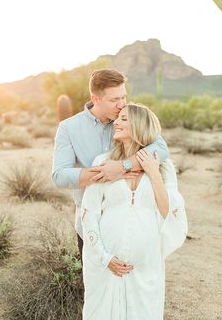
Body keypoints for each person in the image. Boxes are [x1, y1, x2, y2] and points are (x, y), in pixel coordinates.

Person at [81, 103, 187, 320]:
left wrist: (153, 174)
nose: (116, 122)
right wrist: (104, 257)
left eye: (123, 119)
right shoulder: (103, 162)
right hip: (106, 264)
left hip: (146, 265)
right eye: (117, 118)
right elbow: (88, 213)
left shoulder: (164, 166)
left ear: (140, 125)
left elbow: (169, 213)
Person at [52, 69, 169, 259]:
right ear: (95, 99)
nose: (121, 104)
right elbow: (59, 176)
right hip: (92, 223)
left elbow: (161, 148)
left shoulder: (130, 116)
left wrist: (123, 166)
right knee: (96, 285)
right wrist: (105, 174)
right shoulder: (68, 128)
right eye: (114, 100)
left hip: (133, 224)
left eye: (123, 97)